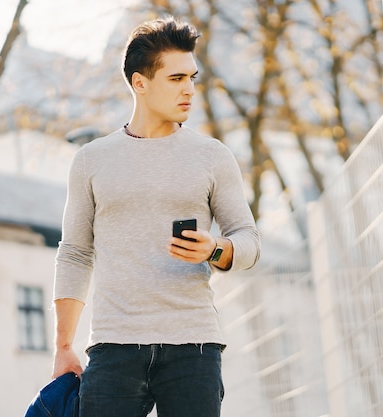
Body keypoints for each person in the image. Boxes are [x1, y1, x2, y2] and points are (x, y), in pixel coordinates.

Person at [51, 15, 261, 417]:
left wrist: (216, 249)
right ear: (140, 83)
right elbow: (75, 253)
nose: (189, 90)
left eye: (192, 78)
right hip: (113, 347)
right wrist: (63, 347)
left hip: (193, 347)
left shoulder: (212, 156)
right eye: (176, 79)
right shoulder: (91, 160)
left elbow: (248, 240)